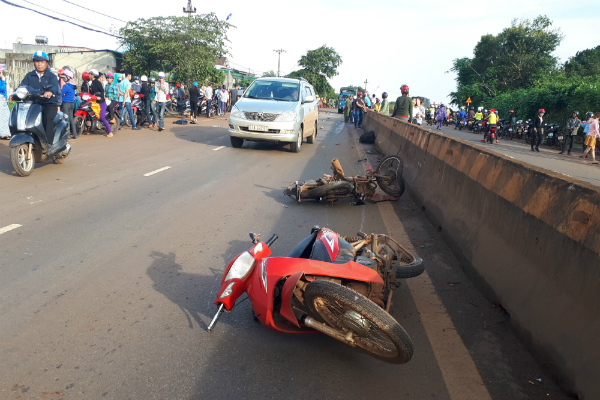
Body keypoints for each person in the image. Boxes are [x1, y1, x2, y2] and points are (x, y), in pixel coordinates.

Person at [18, 52, 61, 145]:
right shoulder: (29, 76)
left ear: (47, 63)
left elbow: (54, 87)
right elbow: (22, 86)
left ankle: (48, 144)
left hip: (49, 103)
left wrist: (50, 92)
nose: (39, 64)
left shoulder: (52, 76)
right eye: (37, 61)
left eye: (42, 62)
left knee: (48, 118)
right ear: (34, 62)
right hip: (34, 104)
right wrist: (15, 93)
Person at [89, 69, 113, 137]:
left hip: (101, 103)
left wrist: (99, 97)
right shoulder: (92, 82)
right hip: (94, 102)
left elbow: (102, 91)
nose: (89, 75)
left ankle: (110, 132)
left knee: (102, 117)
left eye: (90, 74)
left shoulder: (97, 82)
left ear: (93, 75)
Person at [59, 69, 77, 139]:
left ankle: (68, 134)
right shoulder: (72, 86)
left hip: (66, 104)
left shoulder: (66, 86)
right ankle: (75, 134)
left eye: (64, 77)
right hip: (72, 104)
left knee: (66, 120)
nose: (63, 79)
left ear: (68, 77)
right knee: (71, 119)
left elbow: (60, 93)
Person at [0, 65, 10, 140]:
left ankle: (5, 133)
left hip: (2, 99)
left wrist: (5, 97)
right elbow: (2, 88)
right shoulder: (2, 80)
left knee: (6, 115)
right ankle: (3, 133)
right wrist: (3, 80)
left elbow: (5, 90)